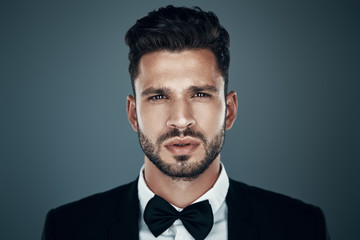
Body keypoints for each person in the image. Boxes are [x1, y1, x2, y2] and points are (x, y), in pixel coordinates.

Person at [42, 5, 330, 240]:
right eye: (158, 97)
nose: (180, 119)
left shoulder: (302, 227)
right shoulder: (67, 229)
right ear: (133, 114)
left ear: (229, 111)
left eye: (201, 94)